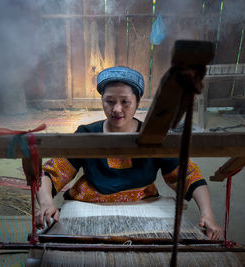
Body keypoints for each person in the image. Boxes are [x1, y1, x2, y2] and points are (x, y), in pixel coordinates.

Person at [37, 66, 223, 240]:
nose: (117, 109)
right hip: (89, 207)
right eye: (110, 101)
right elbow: (50, 173)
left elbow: (189, 176)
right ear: (102, 100)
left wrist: (208, 216)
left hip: (142, 207)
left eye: (125, 102)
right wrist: (46, 203)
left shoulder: (153, 139)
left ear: (137, 102)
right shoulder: (86, 135)